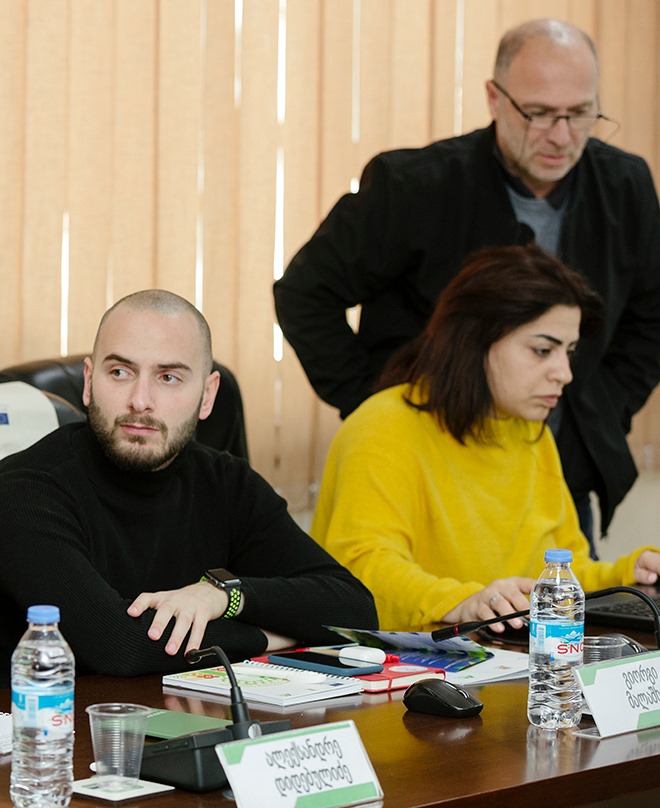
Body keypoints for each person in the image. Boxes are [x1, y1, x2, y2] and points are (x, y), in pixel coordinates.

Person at [273, 18, 660, 551]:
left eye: (580, 113)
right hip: (431, 464)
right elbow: (304, 293)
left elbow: (651, 317)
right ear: (494, 99)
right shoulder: (414, 187)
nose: (562, 136)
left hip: (557, 470)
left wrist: (603, 406)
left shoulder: (625, 185)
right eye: (539, 113)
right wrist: (375, 402)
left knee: (568, 601)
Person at [0, 290, 377, 695]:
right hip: (9, 741)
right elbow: (120, 648)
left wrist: (224, 596)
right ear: (89, 382)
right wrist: (271, 636)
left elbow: (355, 610)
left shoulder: (226, 482)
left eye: (169, 378)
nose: (140, 400)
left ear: (207, 395)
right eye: (120, 372)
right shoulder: (21, 492)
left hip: (149, 726)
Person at [310, 245, 660, 632]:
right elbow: (363, 569)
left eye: (569, 352)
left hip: (504, 652)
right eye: (543, 350)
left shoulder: (530, 432)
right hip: (403, 661)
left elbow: (561, 568)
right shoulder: (382, 425)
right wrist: (462, 601)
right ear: (475, 341)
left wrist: (628, 575)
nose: (564, 373)